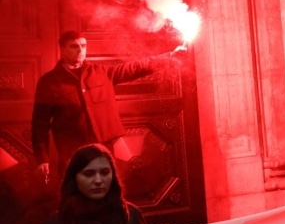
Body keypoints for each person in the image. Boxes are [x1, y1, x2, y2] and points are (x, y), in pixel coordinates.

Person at [31, 30, 183, 181]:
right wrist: (42, 158)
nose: (80, 50)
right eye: (74, 46)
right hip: (72, 151)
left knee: (106, 190)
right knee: (76, 195)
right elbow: (39, 124)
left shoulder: (101, 72)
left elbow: (135, 68)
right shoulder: (49, 82)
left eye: (83, 46)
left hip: (104, 148)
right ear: (62, 49)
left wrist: (169, 57)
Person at [31, 143, 173, 224]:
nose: (98, 180)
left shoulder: (130, 214)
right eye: (89, 174)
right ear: (74, 179)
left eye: (105, 172)